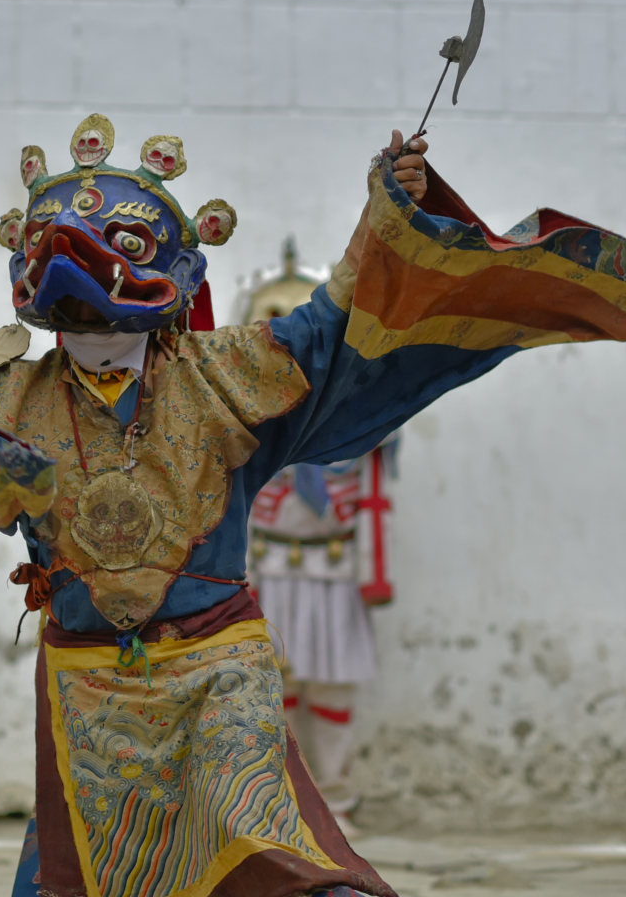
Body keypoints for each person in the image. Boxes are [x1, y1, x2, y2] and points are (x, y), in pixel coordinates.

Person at [0, 114, 626, 897]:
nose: (83, 268)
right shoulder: (0, 400)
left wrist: (395, 211)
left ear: (175, 273)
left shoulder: (234, 379)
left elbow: (345, 321)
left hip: (219, 683)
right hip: (85, 695)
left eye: (127, 250)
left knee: (289, 869)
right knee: (77, 878)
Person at [238, 240, 398, 822]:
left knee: (332, 684)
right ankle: (282, 790)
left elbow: (375, 501)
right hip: (270, 572)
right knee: (273, 689)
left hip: (332, 569)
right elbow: (237, 503)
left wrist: (375, 573)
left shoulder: (366, 413)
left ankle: (333, 788)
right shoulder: (242, 413)